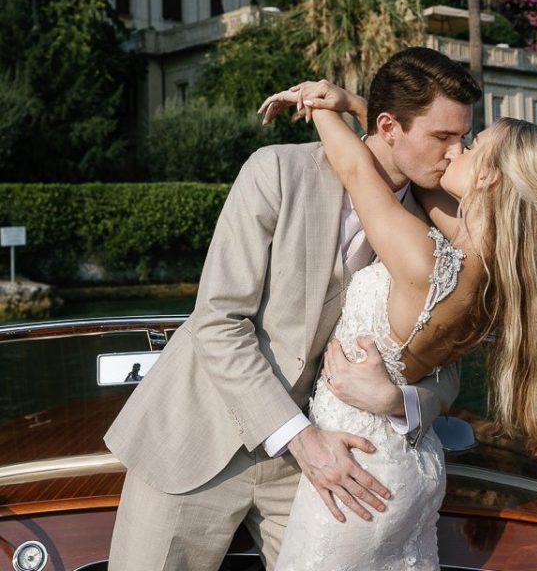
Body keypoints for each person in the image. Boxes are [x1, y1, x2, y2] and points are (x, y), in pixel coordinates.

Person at [104, 47, 481, 571]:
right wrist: (301, 439)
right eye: (442, 136)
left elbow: (446, 364)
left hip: (328, 463)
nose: (455, 151)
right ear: (389, 125)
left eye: (462, 136)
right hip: (198, 438)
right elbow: (218, 319)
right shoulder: (277, 171)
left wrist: (400, 401)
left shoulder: (437, 229)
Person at [258, 78, 537, 571]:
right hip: (415, 469)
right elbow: (417, 162)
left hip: (358, 473)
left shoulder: (424, 257)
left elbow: (354, 167)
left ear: (489, 178)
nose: (456, 150)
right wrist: (355, 103)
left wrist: (317, 105)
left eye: (473, 145)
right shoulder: (495, 268)